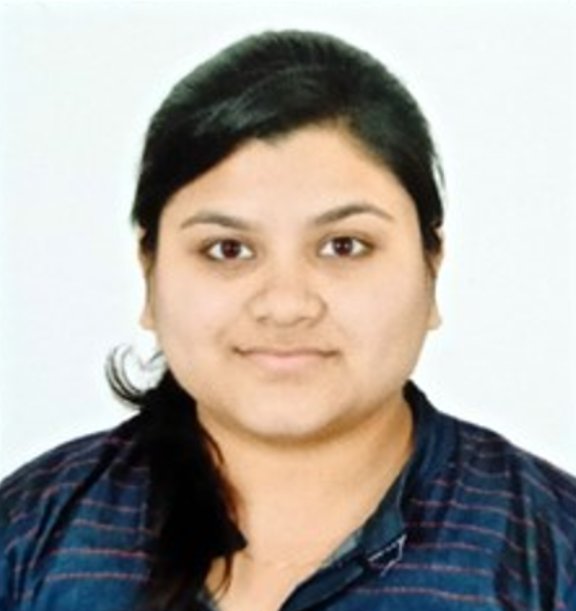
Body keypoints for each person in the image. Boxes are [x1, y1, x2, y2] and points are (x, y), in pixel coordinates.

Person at [0, 29, 574, 611]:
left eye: (344, 246)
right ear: (150, 273)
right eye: (228, 249)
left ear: (432, 267)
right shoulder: (28, 535)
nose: (285, 304)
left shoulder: (551, 552)